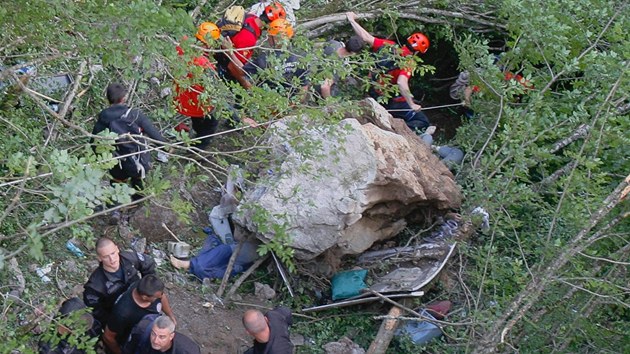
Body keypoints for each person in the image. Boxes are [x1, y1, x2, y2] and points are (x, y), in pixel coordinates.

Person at [346, 12, 431, 131]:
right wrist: (411, 104)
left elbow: (365, 37)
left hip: (373, 91)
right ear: (418, 52)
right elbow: (402, 83)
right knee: (423, 121)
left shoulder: (389, 45)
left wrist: (351, 20)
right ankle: (395, 131)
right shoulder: (409, 62)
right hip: (392, 101)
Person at [92, 83, 168, 200]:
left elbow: (94, 143)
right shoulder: (135, 114)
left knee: (117, 183)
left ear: (108, 99)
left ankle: (116, 211)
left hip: (117, 162)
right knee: (137, 179)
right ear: (124, 98)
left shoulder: (103, 118)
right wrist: (167, 148)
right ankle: (138, 202)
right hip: (137, 159)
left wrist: (101, 160)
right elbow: (154, 135)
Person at [83, 237, 156, 333]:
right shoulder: (95, 285)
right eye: (106, 256)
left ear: (117, 249)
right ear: (100, 258)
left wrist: (149, 287)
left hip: (141, 301)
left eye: (113, 253)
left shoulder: (129, 258)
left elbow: (148, 263)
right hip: (120, 314)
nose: (112, 259)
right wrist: (113, 323)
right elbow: (95, 310)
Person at [103, 275, 176, 354]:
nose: (161, 296)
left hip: (152, 332)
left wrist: (170, 316)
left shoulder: (149, 288)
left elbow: (162, 297)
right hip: (132, 342)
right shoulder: (122, 313)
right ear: (144, 297)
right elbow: (108, 337)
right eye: (156, 297)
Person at [123, 315, 200, 354]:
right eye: (153, 334)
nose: (155, 341)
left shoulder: (187, 351)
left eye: (162, 337)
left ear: (171, 336)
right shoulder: (141, 331)